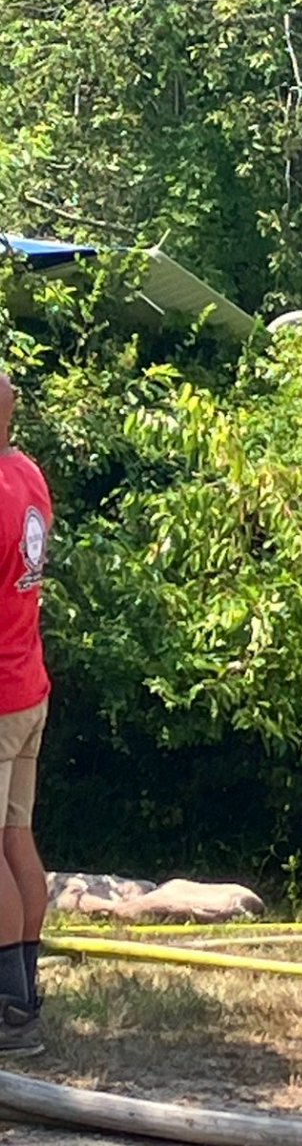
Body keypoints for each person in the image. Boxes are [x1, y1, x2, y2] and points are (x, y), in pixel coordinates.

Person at [0, 373, 51, 1056]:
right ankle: (26, 990)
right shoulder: (27, 473)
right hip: (27, 682)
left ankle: (7, 1008)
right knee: (16, 836)